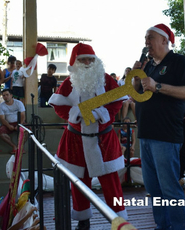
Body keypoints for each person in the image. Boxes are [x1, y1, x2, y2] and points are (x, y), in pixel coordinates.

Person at [48, 43, 127, 230]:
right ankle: (83, 220)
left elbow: (116, 104)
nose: (87, 62)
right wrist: (76, 114)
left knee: (111, 182)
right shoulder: (68, 83)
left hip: (103, 139)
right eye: (83, 59)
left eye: (91, 59)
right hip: (76, 139)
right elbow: (59, 106)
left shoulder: (107, 80)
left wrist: (102, 113)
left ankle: (119, 220)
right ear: (75, 62)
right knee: (79, 182)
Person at [132, 23, 185, 230]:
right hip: (146, 134)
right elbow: (138, 94)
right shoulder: (149, 65)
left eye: (150, 37)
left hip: (166, 136)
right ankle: (162, 226)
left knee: (169, 189)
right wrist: (136, 78)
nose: (146, 42)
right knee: (153, 189)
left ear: (164, 41)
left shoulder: (178, 62)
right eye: (145, 38)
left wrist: (157, 86)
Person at [0, 89, 26, 154]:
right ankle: (14, 146)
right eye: (4, 95)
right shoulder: (0, 106)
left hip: (19, 122)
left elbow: (23, 116)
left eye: (7, 95)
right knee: (1, 132)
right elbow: (2, 119)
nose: (5, 97)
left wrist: (19, 125)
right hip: (8, 124)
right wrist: (8, 125)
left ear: (11, 95)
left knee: (27, 130)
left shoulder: (19, 103)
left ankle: (20, 147)